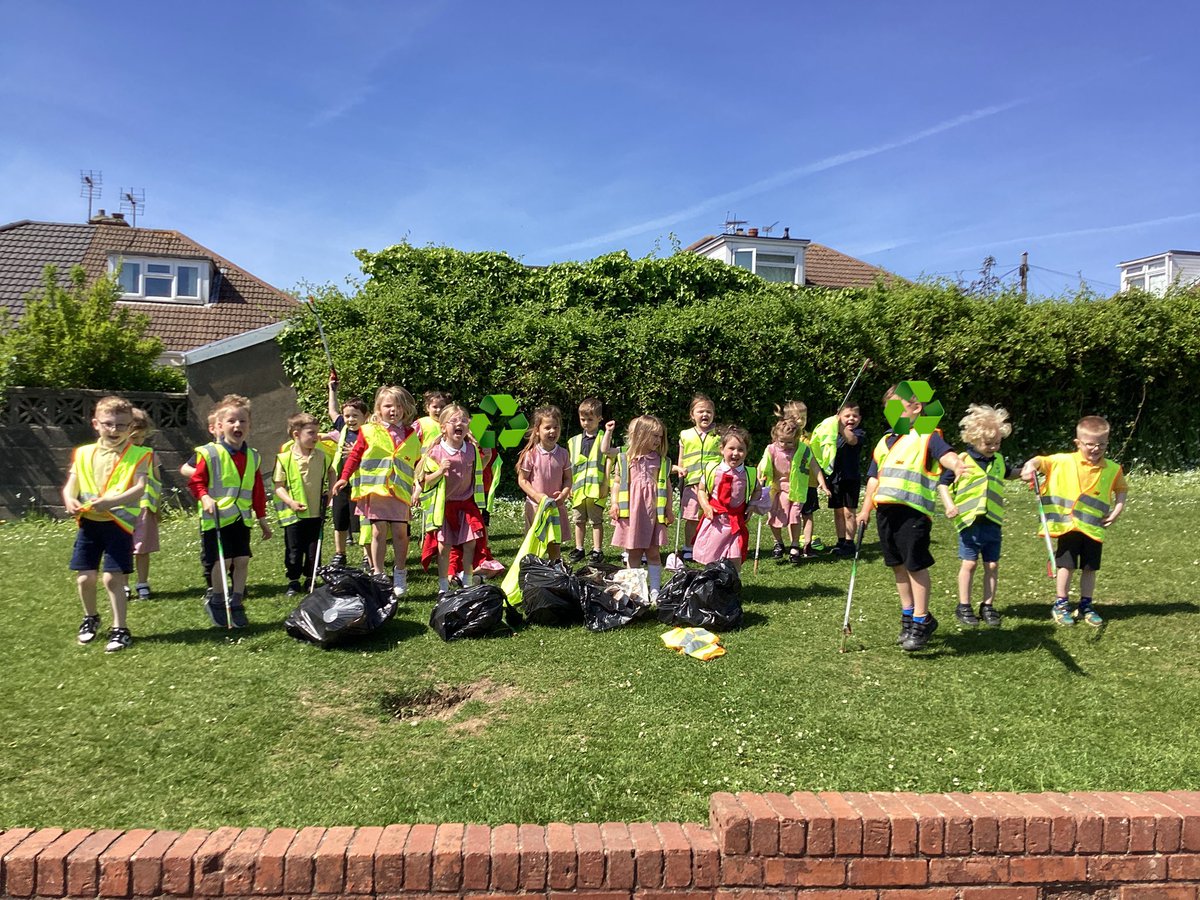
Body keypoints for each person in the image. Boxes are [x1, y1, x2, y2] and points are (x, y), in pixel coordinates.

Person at [857, 385, 966, 651]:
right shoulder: (884, 442)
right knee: (897, 566)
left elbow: (947, 455)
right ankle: (909, 616)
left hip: (913, 514)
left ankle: (921, 619)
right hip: (885, 513)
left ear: (916, 409)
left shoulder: (927, 435)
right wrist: (864, 510)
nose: (890, 414)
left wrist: (957, 464)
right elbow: (873, 479)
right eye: (887, 410)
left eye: (896, 408)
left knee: (915, 566)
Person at [1020, 415, 1127, 627]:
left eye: (1102, 445)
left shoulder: (1113, 469)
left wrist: (1117, 510)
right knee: (1065, 566)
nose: (1096, 449)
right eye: (1090, 445)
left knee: (1090, 567)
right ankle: (1061, 604)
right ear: (1078, 443)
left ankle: (1086, 604)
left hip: (1093, 528)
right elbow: (1039, 461)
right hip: (1067, 526)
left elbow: (1121, 489)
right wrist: (1029, 467)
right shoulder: (1062, 461)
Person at [63, 395, 151, 652]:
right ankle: (90, 618)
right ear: (96, 424)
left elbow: (140, 488)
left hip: (118, 525)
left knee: (113, 579)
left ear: (130, 427)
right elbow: (72, 485)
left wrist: (111, 502)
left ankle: (120, 628)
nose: (114, 430)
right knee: (85, 578)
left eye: (122, 425)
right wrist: (69, 499)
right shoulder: (83, 453)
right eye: (108, 424)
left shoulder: (139, 454)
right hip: (89, 524)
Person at [187, 394, 273, 628]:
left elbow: (256, 490)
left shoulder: (253, 456)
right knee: (222, 561)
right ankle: (217, 599)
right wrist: (205, 497)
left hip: (241, 518)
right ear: (220, 426)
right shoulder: (209, 453)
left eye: (242, 421)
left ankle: (236, 600)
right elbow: (196, 481)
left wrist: (262, 519)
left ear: (249, 425)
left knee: (242, 559)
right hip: (216, 518)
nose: (237, 426)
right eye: (232, 422)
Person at [937, 404, 1022, 627]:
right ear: (973, 439)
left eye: (997, 443)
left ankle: (988, 605)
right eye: (988, 443)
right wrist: (949, 506)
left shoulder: (998, 460)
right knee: (970, 563)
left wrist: (1027, 472)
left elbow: (1009, 474)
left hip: (992, 521)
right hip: (969, 521)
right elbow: (942, 485)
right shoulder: (961, 460)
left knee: (992, 565)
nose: (993, 447)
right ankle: (964, 605)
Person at [332, 385, 422, 597]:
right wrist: (344, 477)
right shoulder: (369, 431)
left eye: (398, 406)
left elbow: (417, 462)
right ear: (378, 409)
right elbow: (355, 456)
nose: (393, 410)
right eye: (388, 406)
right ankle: (378, 573)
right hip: (376, 490)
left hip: (399, 491)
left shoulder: (411, 434)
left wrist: (419, 484)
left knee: (401, 533)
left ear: (404, 409)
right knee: (378, 531)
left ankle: (400, 572)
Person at [420, 404, 487, 596]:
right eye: (454, 421)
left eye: (464, 420)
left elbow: (478, 472)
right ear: (443, 428)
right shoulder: (436, 452)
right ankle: (443, 586)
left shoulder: (472, 451)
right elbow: (425, 481)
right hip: (444, 508)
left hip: (466, 504)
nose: (460, 424)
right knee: (444, 547)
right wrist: (440, 471)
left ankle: (467, 581)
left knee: (470, 544)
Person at [274, 412, 336, 596]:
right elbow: (278, 486)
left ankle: (311, 578)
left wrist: (331, 490)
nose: (316, 437)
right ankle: (293, 580)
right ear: (296, 434)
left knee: (313, 550)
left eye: (317, 433)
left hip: (316, 512)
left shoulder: (322, 456)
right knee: (294, 551)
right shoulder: (284, 458)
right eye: (311, 433)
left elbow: (332, 471)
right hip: (293, 515)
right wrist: (290, 502)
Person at [610, 415, 673, 599]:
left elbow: (667, 486)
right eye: (654, 436)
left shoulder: (661, 461)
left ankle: (655, 590)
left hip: (652, 513)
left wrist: (669, 508)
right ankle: (636, 591)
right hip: (632, 513)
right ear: (641, 435)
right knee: (633, 552)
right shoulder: (625, 459)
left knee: (653, 552)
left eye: (660, 437)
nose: (658, 440)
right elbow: (616, 483)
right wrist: (614, 503)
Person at [759, 417, 826, 565]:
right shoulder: (771, 449)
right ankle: (778, 542)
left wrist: (823, 484)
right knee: (774, 517)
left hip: (796, 490)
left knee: (795, 517)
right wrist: (761, 476)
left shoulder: (803, 449)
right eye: (781, 441)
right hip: (777, 490)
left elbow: (814, 466)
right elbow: (762, 465)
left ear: (797, 438)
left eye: (790, 442)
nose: (785, 445)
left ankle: (795, 545)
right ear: (776, 437)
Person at [693, 426, 760, 573]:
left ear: (746, 451)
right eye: (731, 449)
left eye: (741, 449)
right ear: (722, 449)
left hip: (735, 522)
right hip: (716, 521)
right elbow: (702, 490)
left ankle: (732, 586)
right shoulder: (712, 469)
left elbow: (757, 490)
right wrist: (705, 506)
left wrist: (752, 506)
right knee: (713, 556)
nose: (736, 453)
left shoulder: (750, 473)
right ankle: (712, 585)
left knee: (735, 555)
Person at [517, 405, 571, 561]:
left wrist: (564, 494)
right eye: (547, 428)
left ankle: (555, 572)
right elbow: (522, 479)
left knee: (554, 544)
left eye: (556, 427)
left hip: (555, 507)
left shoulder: (563, 454)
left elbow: (568, 478)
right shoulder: (531, 455)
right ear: (537, 430)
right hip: (535, 507)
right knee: (535, 545)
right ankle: (534, 573)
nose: (552, 431)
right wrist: (537, 495)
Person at [325, 376, 368, 567]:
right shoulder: (342, 426)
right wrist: (332, 390)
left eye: (355, 416)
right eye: (348, 416)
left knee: (363, 521)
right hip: (342, 482)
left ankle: (367, 555)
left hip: (361, 483)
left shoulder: (368, 432)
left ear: (365, 417)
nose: (350, 419)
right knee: (339, 519)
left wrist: (358, 453)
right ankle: (340, 553)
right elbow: (332, 411)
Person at [567, 397, 613, 565]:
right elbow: (571, 465)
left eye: (590, 419)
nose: (586, 423)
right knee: (578, 520)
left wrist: (606, 484)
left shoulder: (604, 438)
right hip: (578, 490)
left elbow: (609, 461)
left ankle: (597, 550)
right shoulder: (574, 441)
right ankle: (579, 548)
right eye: (583, 419)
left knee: (596, 521)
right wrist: (569, 485)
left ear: (599, 419)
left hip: (596, 489)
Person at [676, 394, 720, 561]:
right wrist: (680, 469)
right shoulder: (685, 434)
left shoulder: (718, 434)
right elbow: (682, 456)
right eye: (700, 411)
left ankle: (709, 546)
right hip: (692, 483)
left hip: (712, 483)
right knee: (692, 516)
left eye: (709, 411)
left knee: (711, 515)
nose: (705, 415)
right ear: (692, 415)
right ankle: (689, 546)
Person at [128, 407, 161, 601]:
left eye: (141, 437)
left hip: (145, 509)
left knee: (143, 548)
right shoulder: (118, 457)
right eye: (134, 437)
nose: (139, 442)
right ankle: (123, 584)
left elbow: (157, 482)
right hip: (122, 510)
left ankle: (142, 582)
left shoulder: (149, 455)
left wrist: (156, 505)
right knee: (123, 548)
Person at [828, 404, 867, 557]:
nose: (851, 419)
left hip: (851, 478)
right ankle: (841, 541)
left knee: (849, 512)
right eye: (847, 416)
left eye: (855, 416)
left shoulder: (858, 433)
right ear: (840, 417)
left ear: (860, 419)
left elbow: (851, 440)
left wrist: (839, 425)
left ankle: (850, 543)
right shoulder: (833, 435)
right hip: (835, 478)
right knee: (838, 512)